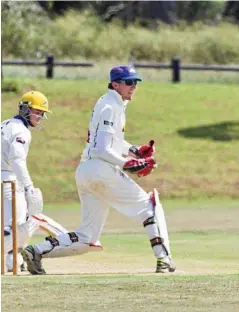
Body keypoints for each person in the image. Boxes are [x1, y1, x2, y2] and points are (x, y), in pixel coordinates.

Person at [22, 65, 175, 275]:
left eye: (135, 82)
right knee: (150, 206)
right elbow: (101, 148)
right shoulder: (110, 106)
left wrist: (136, 151)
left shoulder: (113, 103)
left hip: (87, 171)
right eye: (129, 82)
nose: (133, 87)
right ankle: (164, 260)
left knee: (87, 239)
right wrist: (126, 164)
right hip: (100, 168)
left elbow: (111, 142)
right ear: (115, 84)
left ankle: (36, 251)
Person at [1, 91, 87, 272]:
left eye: (41, 113)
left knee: (11, 228)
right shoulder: (20, 130)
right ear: (25, 109)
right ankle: (71, 239)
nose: (39, 117)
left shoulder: (5, 125)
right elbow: (16, 159)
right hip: (7, 179)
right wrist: (29, 187)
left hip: (6, 177)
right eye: (36, 112)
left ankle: (12, 257)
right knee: (28, 221)